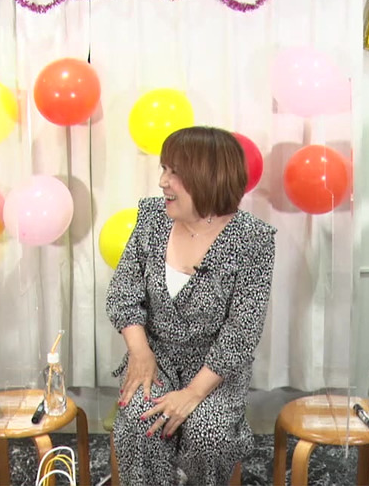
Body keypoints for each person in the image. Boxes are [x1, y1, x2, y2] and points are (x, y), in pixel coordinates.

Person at [106, 126, 276, 485]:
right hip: (155, 357)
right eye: (163, 169)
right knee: (141, 422)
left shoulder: (253, 239)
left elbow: (242, 331)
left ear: (208, 177)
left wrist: (194, 393)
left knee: (206, 435)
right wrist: (140, 351)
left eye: (175, 173)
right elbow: (123, 291)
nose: (163, 182)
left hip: (214, 368)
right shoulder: (152, 219)